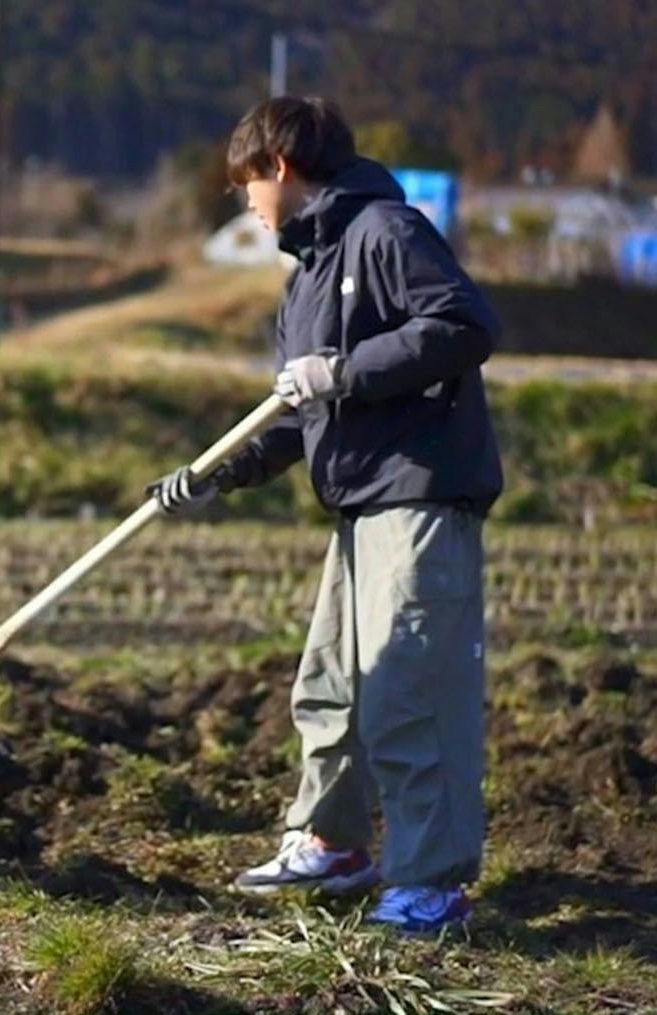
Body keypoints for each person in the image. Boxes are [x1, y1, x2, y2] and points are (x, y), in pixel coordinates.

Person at [148, 97, 502, 934]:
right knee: (334, 689)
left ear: (280, 165)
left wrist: (342, 370)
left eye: (246, 186)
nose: (245, 203)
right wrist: (216, 475)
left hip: (417, 495)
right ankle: (334, 844)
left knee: (408, 692)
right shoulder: (306, 278)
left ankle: (433, 881)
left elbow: (463, 325)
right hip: (356, 503)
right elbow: (300, 417)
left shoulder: (386, 231)